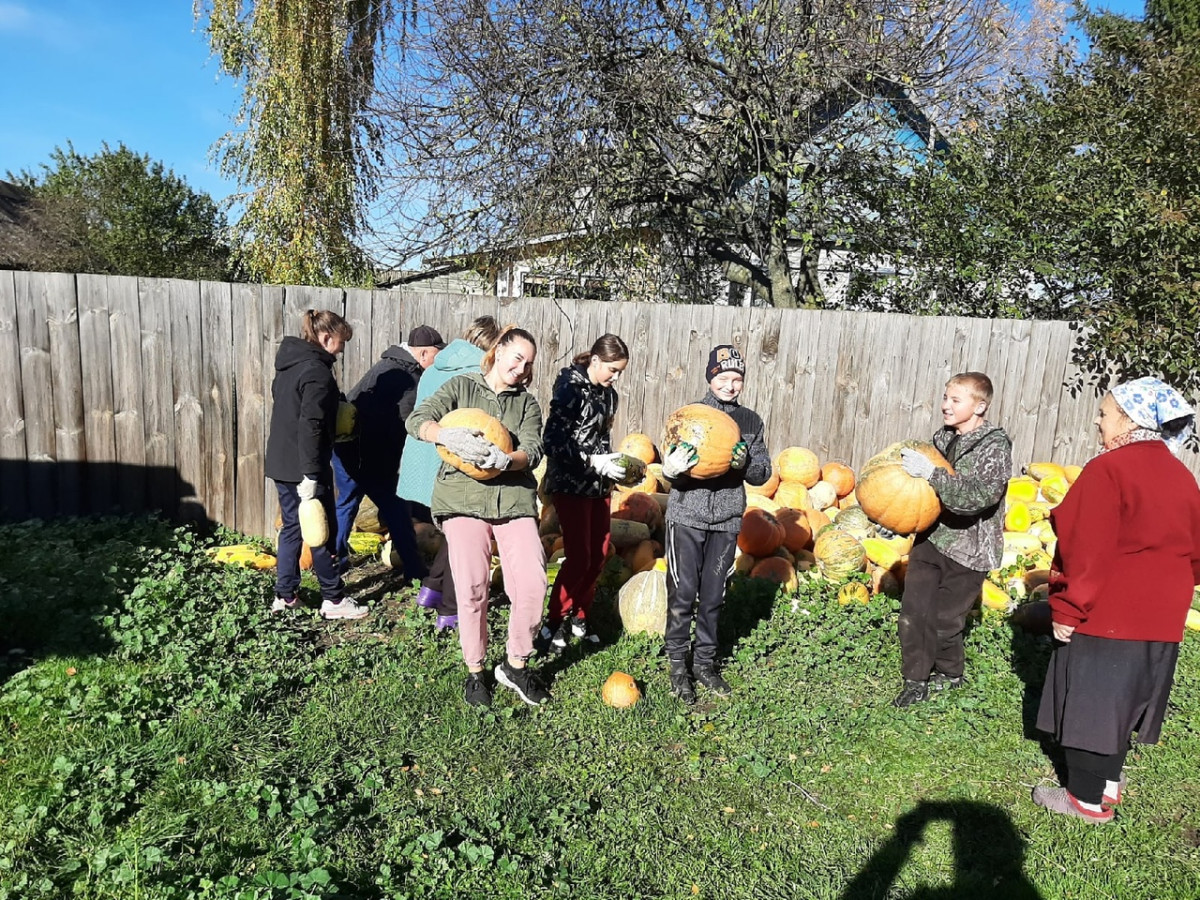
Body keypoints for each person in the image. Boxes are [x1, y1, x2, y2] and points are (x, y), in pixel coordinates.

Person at [1031, 377, 1200, 823]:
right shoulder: (1182, 476)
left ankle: (1085, 802)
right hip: (1161, 617)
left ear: (1128, 418)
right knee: (1123, 701)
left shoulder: (1109, 469)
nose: (1097, 421)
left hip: (1109, 612)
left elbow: (1086, 549)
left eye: (1104, 413)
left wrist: (1067, 607)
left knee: (1092, 704)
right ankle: (1108, 785)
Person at [406, 326, 550, 707]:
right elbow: (417, 418)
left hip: (512, 498)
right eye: (516, 357)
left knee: (533, 580)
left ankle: (515, 663)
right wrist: (443, 435)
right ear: (499, 351)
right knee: (471, 585)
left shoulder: (527, 404)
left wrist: (507, 460)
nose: (521, 368)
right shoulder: (461, 387)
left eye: (528, 363)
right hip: (462, 499)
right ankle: (476, 671)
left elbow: (533, 451)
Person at [659, 344, 771, 704]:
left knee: (713, 596)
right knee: (682, 592)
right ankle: (678, 664)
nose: (730, 385)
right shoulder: (690, 416)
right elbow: (674, 470)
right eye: (723, 377)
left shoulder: (751, 421)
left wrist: (743, 464)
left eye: (737, 379)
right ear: (711, 377)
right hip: (686, 516)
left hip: (725, 518)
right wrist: (671, 471)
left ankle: (705, 663)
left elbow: (761, 473)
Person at [893, 372, 1012, 708]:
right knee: (914, 612)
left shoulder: (994, 446)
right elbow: (915, 495)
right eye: (945, 398)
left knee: (945, 619)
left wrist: (931, 474)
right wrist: (897, 518)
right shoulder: (941, 439)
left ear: (979, 406)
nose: (945, 405)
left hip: (970, 548)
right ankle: (915, 680)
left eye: (955, 400)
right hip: (932, 537)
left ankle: (950, 672)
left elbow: (978, 497)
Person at [397, 316, 502, 632]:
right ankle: (450, 611)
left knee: (454, 533)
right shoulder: (476, 374)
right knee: (467, 538)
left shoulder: (437, 365)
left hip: (425, 462)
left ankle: (431, 588)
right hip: (452, 467)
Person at [264, 308, 367, 620]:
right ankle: (334, 600)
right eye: (340, 342)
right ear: (325, 338)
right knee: (318, 531)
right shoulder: (317, 372)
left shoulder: (289, 365)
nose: (342, 349)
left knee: (292, 528)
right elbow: (310, 425)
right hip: (304, 467)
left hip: (281, 462)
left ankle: (285, 595)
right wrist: (310, 474)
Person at [537, 334, 630, 655]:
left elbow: (600, 439)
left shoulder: (609, 396)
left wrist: (615, 466)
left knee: (599, 553)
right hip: (570, 484)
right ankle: (554, 620)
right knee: (578, 556)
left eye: (620, 371)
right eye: (612, 369)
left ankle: (579, 612)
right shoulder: (569, 390)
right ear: (595, 361)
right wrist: (591, 461)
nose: (616, 377)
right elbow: (553, 442)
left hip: (599, 485)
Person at [332, 325, 445, 579]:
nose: (438, 361)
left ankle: (334, 565)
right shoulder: (407, 377)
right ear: (424, 353)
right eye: (438, 354)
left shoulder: (389, 365)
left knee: (346, 504)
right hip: (368, 454)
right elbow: (405, 423)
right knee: (397, 510)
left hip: (347, 447)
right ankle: (415, 571)